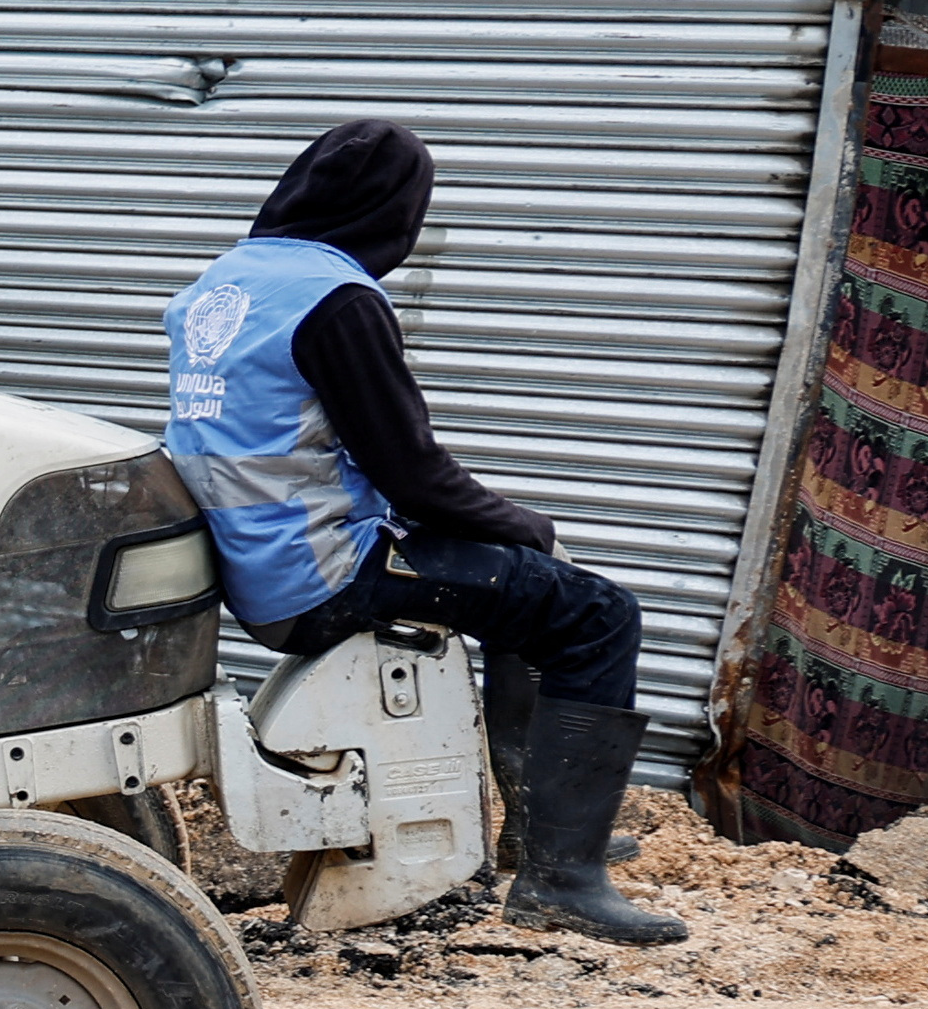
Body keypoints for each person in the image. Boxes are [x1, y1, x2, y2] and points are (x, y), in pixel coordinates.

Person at [162, 119, 678, 946]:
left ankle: (535, 831)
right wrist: (532, 527)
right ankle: (561, 876)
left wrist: (508, 541)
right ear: (392, 210)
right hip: (326, 574)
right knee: (597, 612)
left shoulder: (226, 283)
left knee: (513, 584)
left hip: (259, 569)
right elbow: (414, 475)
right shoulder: (336, 302)